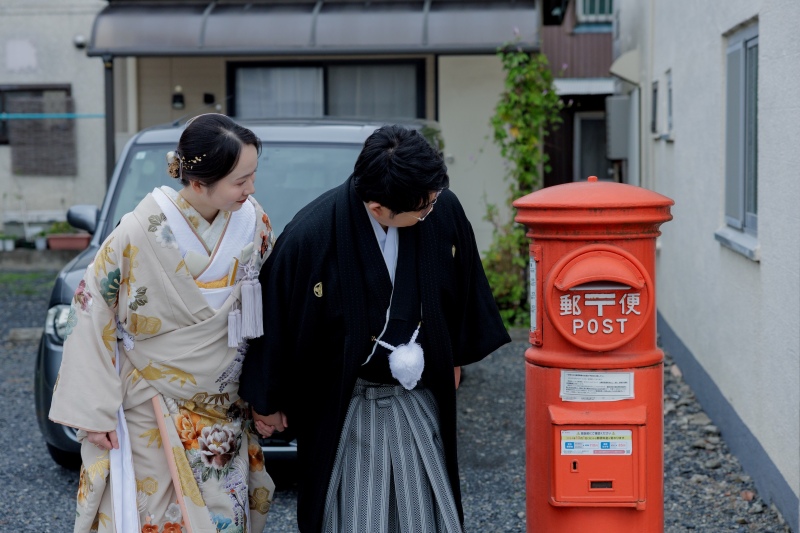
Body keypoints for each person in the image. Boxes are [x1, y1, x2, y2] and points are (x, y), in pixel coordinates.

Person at [240, 124, 511, 532]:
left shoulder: (442, 209)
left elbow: (462, 285)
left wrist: (453, 355)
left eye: (433, 200)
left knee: (426, 514)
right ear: (378, 207)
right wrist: (267, 398)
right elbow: (278, 316)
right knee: (352, 516)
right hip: (346, 400)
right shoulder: (312, 234)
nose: (431, 210)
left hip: (418, 397)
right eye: (422, 208)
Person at [50, 113, 277, 533]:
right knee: (154, 514)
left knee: (223, 516)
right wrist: (94, 412)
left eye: (252, 177)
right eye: (240, 181)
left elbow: (269, 310)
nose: (251, 189)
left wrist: (267, 393)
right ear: (197, 182)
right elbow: (92, 308)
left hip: (224, 401)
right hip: (150, 400)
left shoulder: (255, 223)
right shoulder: (136, 232)